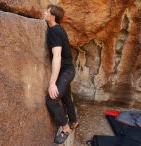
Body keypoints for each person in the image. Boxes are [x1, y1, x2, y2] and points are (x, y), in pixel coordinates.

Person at [44, 4, 78, 144]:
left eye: (47, 11)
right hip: (69, 70)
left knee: (51, 100)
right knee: (66, 97)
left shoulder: (54, 31)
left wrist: (52, 83)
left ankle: (65, 128)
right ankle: (74, 121)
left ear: (52, 17)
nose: (44, 12)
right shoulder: (58, 29)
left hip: (66, 71)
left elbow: (57, 57)